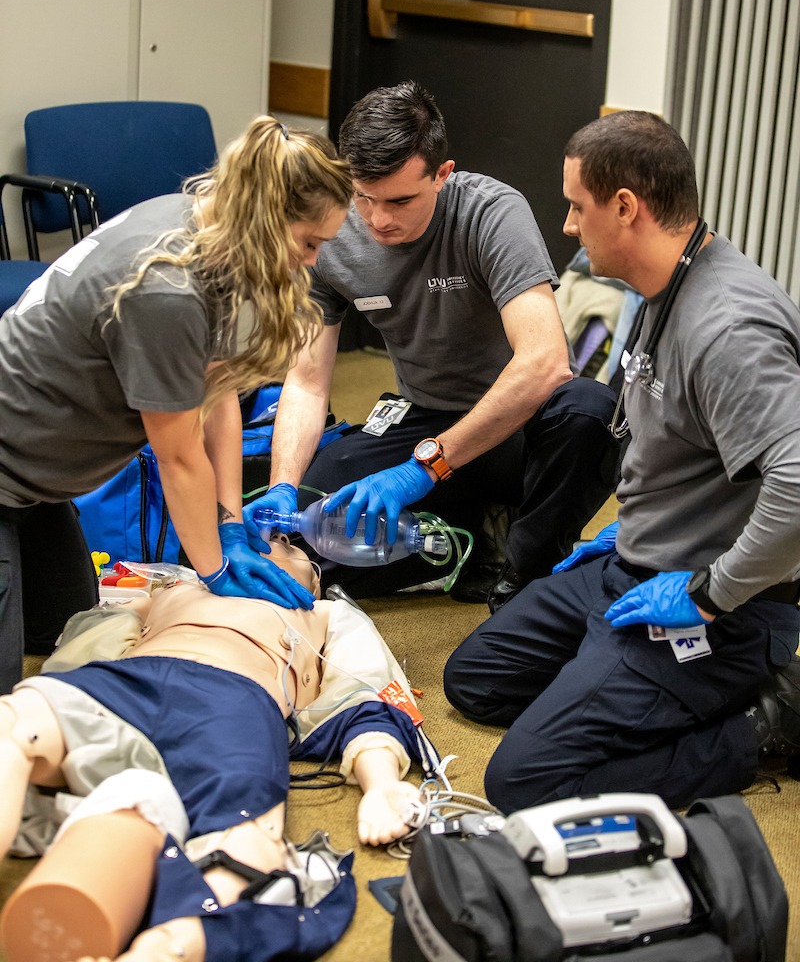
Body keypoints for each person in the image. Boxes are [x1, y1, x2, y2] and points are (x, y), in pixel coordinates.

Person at [444, 110, 800, 813]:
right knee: (476, 679)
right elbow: (673, 443)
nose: (569, 226)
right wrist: (626, 532)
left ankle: (766, 722)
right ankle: (619, 681)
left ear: (625, 207)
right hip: (634, 568)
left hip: (720, 607)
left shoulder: (728, 326)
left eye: (577, 207)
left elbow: (797, 485)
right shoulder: (661, 287)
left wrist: (708, 595)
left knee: (524, 779)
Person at [0, 116, 353, 695]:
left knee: (59, 624)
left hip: (40, 482)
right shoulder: (168, 288)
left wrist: (230, 524)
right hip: (8, 466)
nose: (313, 262)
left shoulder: (202, 225)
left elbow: (216, 395)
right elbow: (180, 458)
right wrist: (212, 569)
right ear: (266, 219)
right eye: (309, 243)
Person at [246, 82, 618, 605]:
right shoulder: (332, 232)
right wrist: (283, 488)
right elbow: (307, 381)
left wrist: (425, 468)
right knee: (314, 520)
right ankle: (469, 531)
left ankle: (526, 568)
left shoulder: (491, 212)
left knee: (590, 413)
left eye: (400, 200)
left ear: (443, 175)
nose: (378, 220)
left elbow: (546, 363)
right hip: (424, 417)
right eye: (364, 197)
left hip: (515, 428)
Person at [0, 534, 426, 962]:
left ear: (312, 578)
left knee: (245, 855)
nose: (270, 537)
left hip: (232, 702)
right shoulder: (176, 588)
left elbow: (362, 692)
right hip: (125, 683)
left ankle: (167, 948)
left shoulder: (322, 611)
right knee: (14, 723)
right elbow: (92, 638)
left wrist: (382, 784)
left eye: (289, 545)